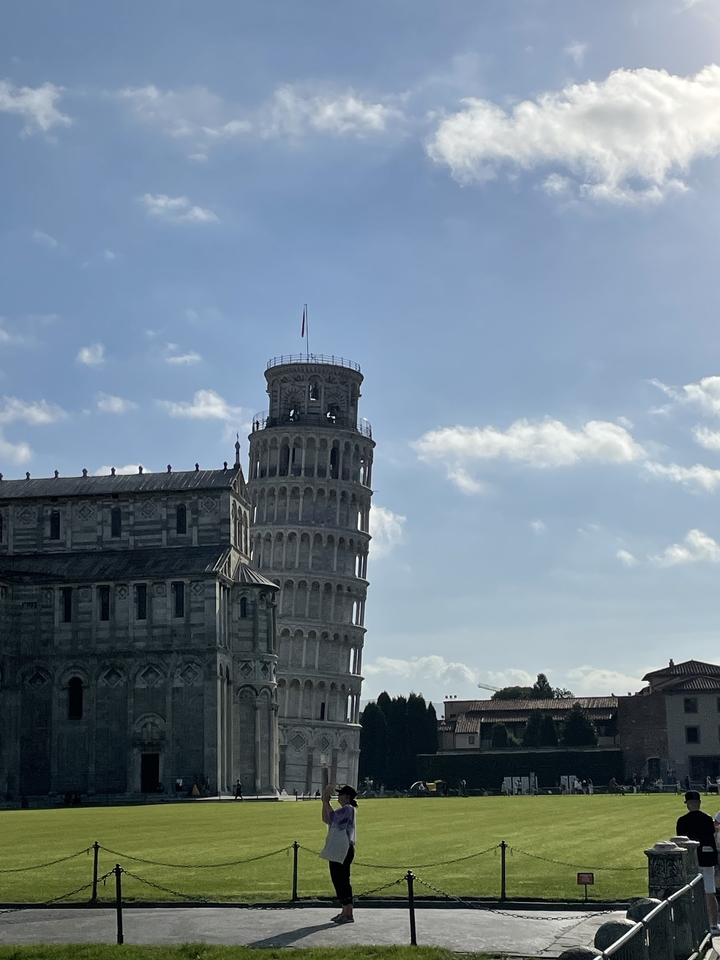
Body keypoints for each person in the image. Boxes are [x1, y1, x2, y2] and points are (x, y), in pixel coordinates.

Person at [676, 790, 720, 935]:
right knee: (709, 892)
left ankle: (691, 925)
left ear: (688, 804)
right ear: (699, 803)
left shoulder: (682, 821)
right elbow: (711, 838)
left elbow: (680, 842)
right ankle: (713, 925)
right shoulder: (707, 819)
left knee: (690, 893)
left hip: (690, 861)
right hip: (707, 858)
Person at [320, 783, 357, 924]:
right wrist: (324, 803)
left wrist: (326, 802)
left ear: (347, 797)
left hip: (344, 848)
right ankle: (344, 910)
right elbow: (326, 819)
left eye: (340, 794)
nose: (338, 796)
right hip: (338, 847)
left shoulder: (348, 809)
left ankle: (348, 912)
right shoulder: (344, 810)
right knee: (338, 879)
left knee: (342, 879)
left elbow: (333, 817)